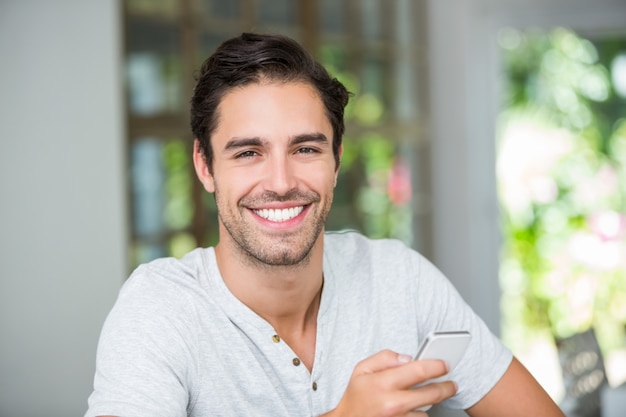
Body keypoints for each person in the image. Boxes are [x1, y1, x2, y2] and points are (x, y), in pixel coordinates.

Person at [85, 32, 564, 417]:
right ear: (206, 166)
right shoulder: (160, 308)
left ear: (336, 161)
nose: (280, 182)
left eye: (306, 149)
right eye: (249, 152)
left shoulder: (400, 278)